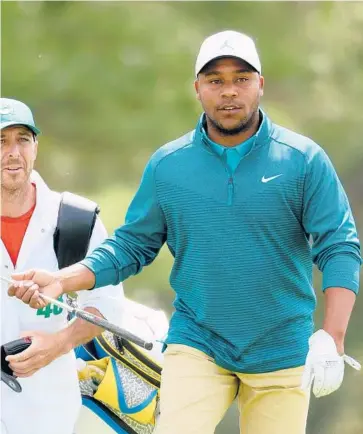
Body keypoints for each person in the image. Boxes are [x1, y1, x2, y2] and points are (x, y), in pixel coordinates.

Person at [8, 30, 362, 434]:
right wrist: (61, 278)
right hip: (199, 344)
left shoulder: (303, 160)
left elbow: (339, 247)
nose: (229, 92)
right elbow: (131, 245)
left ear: (260, 84)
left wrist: (332, 337)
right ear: (198, 88)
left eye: (241, 79)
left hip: (281, 348)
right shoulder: (169, 166)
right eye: (215, 81)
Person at [0, 98, 125, 434]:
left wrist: (57, 345)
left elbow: (107, 308)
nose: (13, 152)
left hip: (47, 413)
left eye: (22, 140)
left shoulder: (75, 220)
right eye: (1, 141)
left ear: (35, 147)